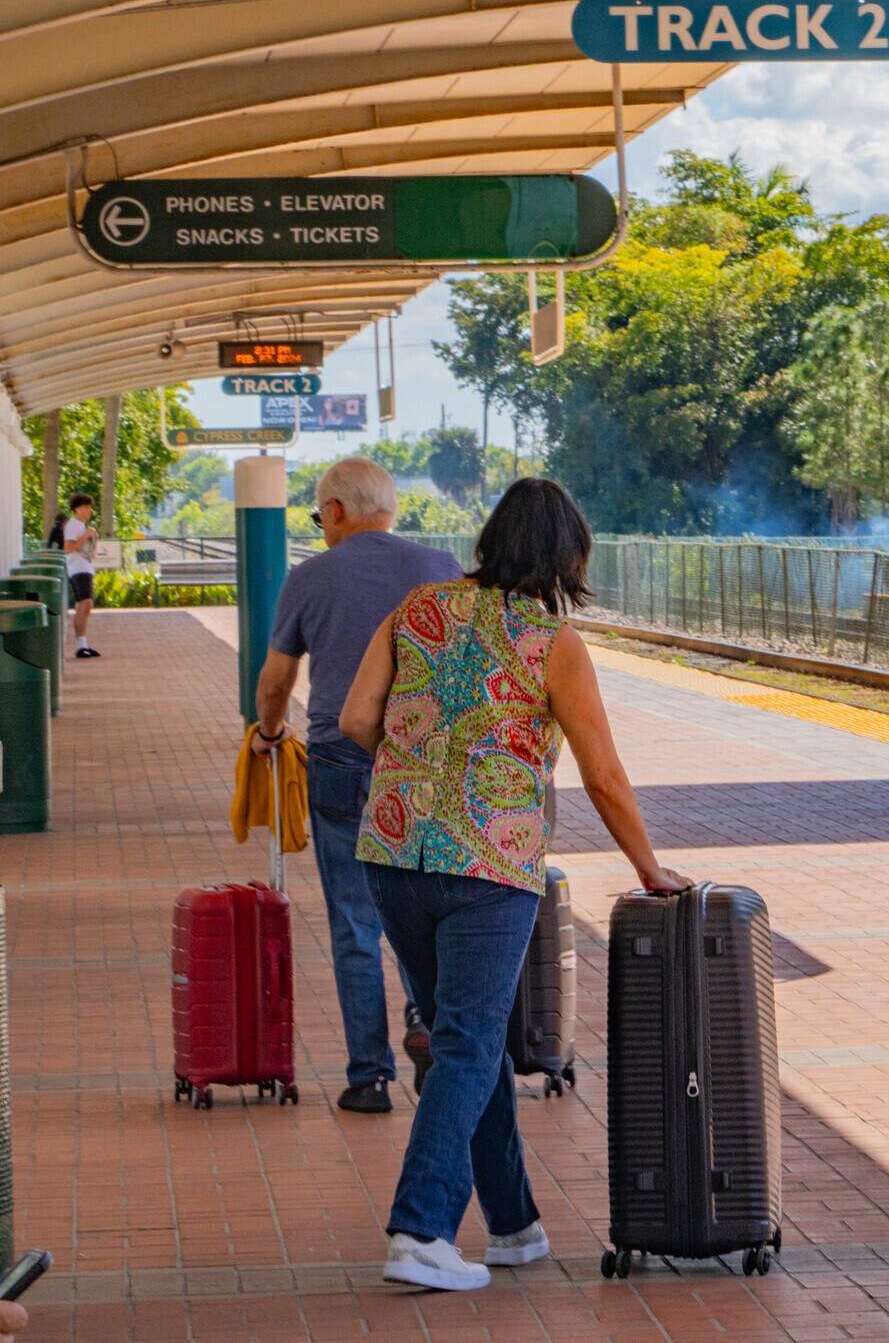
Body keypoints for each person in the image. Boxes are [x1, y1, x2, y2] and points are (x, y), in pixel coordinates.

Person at [341, 477, 690, 1292]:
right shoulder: (552, 642)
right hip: (488, 864)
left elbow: (358, 719)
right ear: (566, 557)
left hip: (393, 850)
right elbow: (603, 774)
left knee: (471, 1035)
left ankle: (513, 1223)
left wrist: (420, 765)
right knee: (467, 1039)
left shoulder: (416, 608)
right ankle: (421, 1230)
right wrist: (649, 866)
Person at [252, 459, 464, 1114]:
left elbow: (275, 682)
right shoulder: (443, 567)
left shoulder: (309, 577)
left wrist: (267, 732)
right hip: (426, 763)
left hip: (341, 760)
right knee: (426, 906)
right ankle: (427, 1022)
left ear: (336, 511)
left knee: (354, 920)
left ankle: (368, 1076)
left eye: (320, 517)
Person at [57, 493, 99, 658]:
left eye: (90, 507)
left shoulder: (81, 526)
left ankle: (82, 645)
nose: (89, 510)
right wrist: (86, 535)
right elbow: (68, 548)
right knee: (86, 604)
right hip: (78, 568)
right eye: (85, 507)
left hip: (84, 567)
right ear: (77, 509)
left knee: (83, 606)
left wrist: (91, 536)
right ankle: (81, 645)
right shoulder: (74, 525)